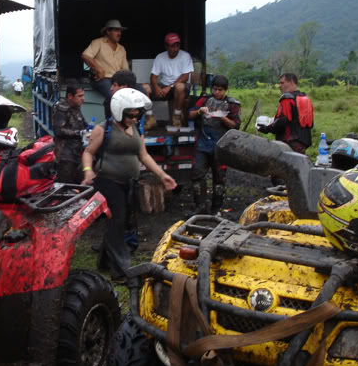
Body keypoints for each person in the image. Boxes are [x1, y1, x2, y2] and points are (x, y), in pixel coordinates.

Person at [81, 88, 177, 282]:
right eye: (131, 115)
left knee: (122, 222)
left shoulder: (136, 129)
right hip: (107, 181)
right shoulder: (103, 129)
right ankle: (121, 271)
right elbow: (88, 152)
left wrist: (162, 175)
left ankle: (105, 263)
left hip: (128, 182)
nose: (135, 118)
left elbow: (143, 155)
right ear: (118, 111)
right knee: (117, 221)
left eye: (137, 115)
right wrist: (88, 171)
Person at [187, 75, 241, 215]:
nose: (217, 92)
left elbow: (235, 125)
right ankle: (200, 206)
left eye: (220, 90)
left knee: (219, 178)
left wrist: (222, 116)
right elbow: (190, 114)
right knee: (197, 175)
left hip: (221, 146)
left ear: (226, 90)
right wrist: (200, 111)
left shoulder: (232, 104)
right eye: (215, 89)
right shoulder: (205, 99)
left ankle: (216, 209)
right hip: (202, 144)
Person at [257, 73, 313, 154]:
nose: (279, 86)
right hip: (303, 142)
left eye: (282, 83)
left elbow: (282, 121)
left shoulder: (287, 98)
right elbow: (308, 122)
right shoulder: (305, 98)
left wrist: (266, 128)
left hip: (289, 142)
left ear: (291, 82)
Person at [150, 33, 194, 127]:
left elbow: (185, 77)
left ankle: (177, 116)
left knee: (179, 86)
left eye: (177, 45)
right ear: (166, 46)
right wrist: (156, 87)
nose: (175, 49)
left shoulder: (185, 56)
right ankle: (149, 118)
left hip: (179, 88)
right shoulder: (160, 57)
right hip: (164, 86)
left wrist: (170, 86)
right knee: (145, 88)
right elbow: (153, 76)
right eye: (172, 46)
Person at [81, 19, 131, 100]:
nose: (119, 33)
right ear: (108, 31)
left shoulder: (122, 48)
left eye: (120, 31)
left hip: (118, 81)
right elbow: (85, 56)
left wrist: (126, 83)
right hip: (103, 80)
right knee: (116, 97)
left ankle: (140, 113)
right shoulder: (98, 42)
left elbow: (125, 70)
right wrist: (99, 70)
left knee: (141, 91)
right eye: (116, 31)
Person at [52, 81, 87, 184]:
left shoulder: (76, 106)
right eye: (79, 96)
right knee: (64, 184)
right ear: (70, 96)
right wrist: (79, 133)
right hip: (65, 153)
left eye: (83, 95)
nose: (83, 98)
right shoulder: (61, 107)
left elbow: (82, 123)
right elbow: (58, 130)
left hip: (77, 151)